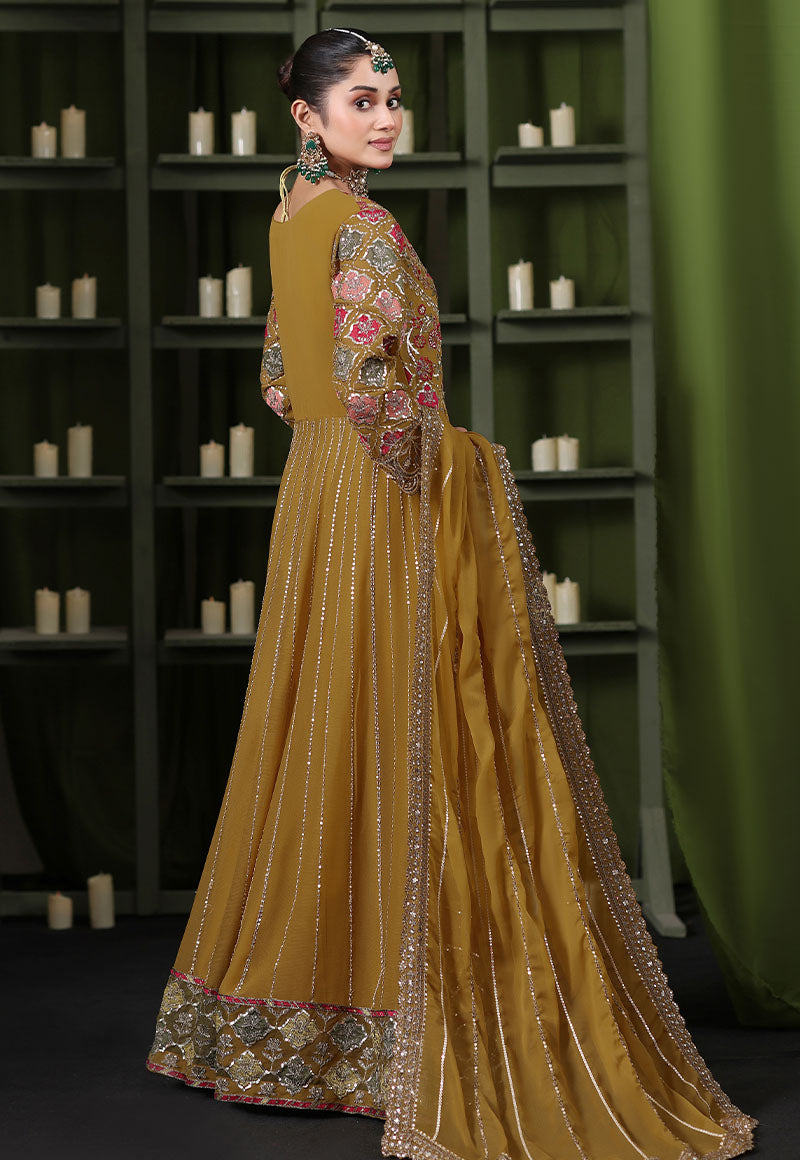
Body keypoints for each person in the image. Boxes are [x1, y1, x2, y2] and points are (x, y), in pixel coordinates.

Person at [145, 28, 757, 1160]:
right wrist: (455, 460)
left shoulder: (290, 214)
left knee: (323, 724)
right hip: (383, 492)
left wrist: (347, 434)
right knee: (413, 727)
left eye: (394, 97)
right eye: (361, 99)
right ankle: (403, 1013)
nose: (385, 117)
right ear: (307, 116)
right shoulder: (367, 227)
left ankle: (300, 1027)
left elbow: (278, 379)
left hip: (313, 492)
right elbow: (378, 393)